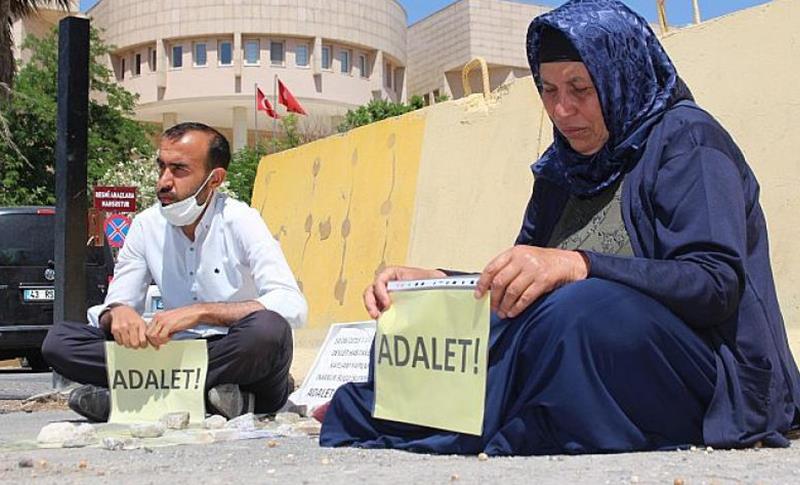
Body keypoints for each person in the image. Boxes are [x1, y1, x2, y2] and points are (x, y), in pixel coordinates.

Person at [319, 0, 800, 455]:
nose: (562, 110)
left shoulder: (687, 141)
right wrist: (441, 283)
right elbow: (525, 288)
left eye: (580, 89)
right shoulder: (564, 169)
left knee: (580, 310)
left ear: (620, 78)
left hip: (712, 379)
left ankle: (408, 416)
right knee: (433, 316)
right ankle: (413, 410)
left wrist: (579, 265)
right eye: (548, 89)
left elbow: (714, 283)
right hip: (580, 352)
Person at [43, 122, 307, 422]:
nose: (163, 182)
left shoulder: (241, 220)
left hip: (232, 353)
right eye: (162, 168)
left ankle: (135, 398)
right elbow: (116, 303)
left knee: (268, 332)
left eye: (179, 169)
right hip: (167, 351)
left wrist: (201, 312)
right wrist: (118, 313)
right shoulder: (145, 225)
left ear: (214, 179)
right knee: (59, 341)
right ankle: (211, 401)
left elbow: (291, 304)